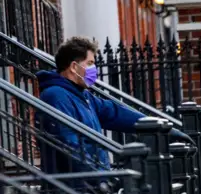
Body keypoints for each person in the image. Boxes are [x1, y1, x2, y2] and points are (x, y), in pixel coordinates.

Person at [37, 37, 186, 174]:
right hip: (74, 190)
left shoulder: (82, 95)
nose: (94, 69)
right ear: (74, 67)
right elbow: (69, 145)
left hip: (92, 187)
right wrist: (101, 177)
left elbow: (114, 113)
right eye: (90, 63)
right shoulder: (56, 96)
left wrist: (160, 128)